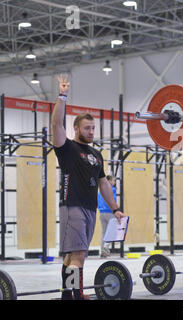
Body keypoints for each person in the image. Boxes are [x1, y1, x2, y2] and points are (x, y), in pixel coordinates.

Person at [52, 74, 125, 300]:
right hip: (72, 206)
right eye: (87, 128)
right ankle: (75, 293)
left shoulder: (96, 154)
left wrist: (115, 208)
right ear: (76, 128)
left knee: (73, 255)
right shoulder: (67, 148)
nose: (91, 132)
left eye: (93, 128)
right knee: (80, 254)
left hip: (90, 208)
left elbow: (103, 183)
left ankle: (69, 293)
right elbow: (56, 124)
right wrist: (62, 96)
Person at [98, 175, 117, 258]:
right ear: (109, 181)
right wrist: (117, 210)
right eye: (113, 180)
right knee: (112, 232)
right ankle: (105, 249)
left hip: (101, 213)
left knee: (104, 233)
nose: (114, 182)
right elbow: (113, 200)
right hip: (110, 213)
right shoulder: (112, 189)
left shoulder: (100, 191)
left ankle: (103, 251)